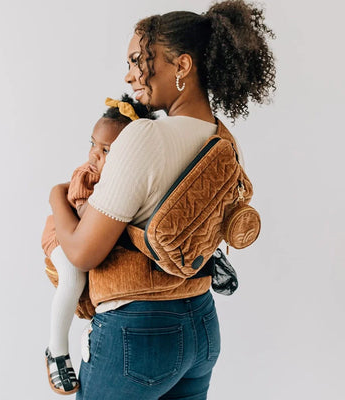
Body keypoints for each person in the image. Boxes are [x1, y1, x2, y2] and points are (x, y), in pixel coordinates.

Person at [48, 1, 276, 399]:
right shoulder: (223, 140)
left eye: (139, 61)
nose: (129, 75)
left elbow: (83, 253)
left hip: (137, 333)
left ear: (182, 66)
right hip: (202, 323)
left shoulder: (143, 136)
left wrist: (55, 195)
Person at [41, 94, 157, 395]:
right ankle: (56, 349)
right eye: (93, 144)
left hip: (87, 238)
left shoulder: (134, 177)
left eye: (106, 150)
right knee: (73, 279)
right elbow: (85, 225)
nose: (94, 154)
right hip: (63, 233)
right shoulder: (88, 176)